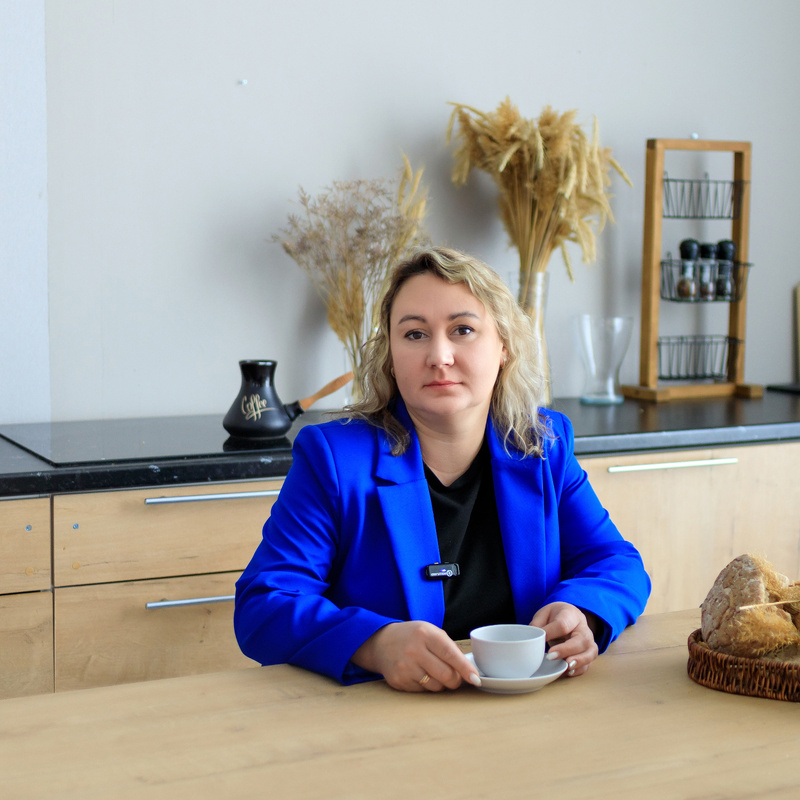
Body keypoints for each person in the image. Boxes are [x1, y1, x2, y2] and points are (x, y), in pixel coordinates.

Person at [234, 246, 650, 692]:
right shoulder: (334, 458)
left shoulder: (542, 445)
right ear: (390, 355)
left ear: (503, 346)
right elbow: (264, 604)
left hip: (527, 707)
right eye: (414, 334)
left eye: (463, 330)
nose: (439, 355)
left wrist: (582, 610)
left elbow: (616, 562)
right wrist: (374, 642)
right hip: (383, 713)